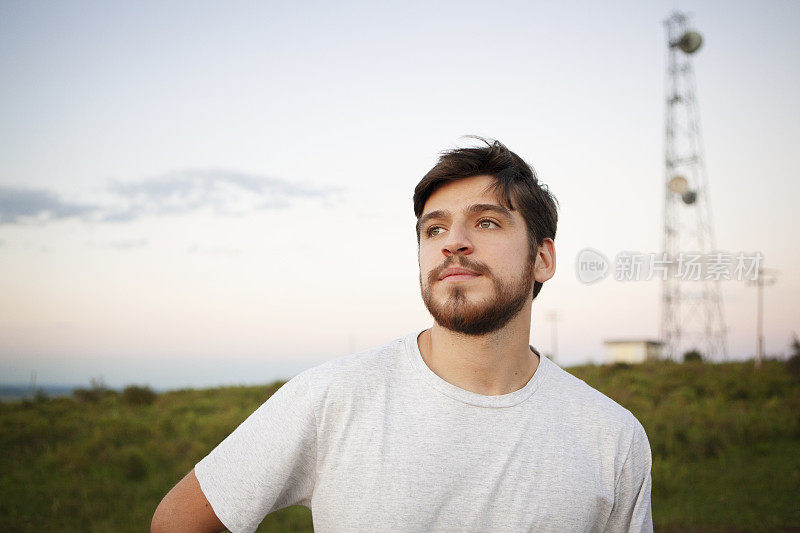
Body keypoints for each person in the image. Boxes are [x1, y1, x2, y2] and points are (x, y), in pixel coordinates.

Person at [151, 138, 653, 533]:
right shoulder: (333, 397)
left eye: (486, 221)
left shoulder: (612, 436)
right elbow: (177, 521)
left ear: (542, 258)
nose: (454, 242)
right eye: (434, 230)